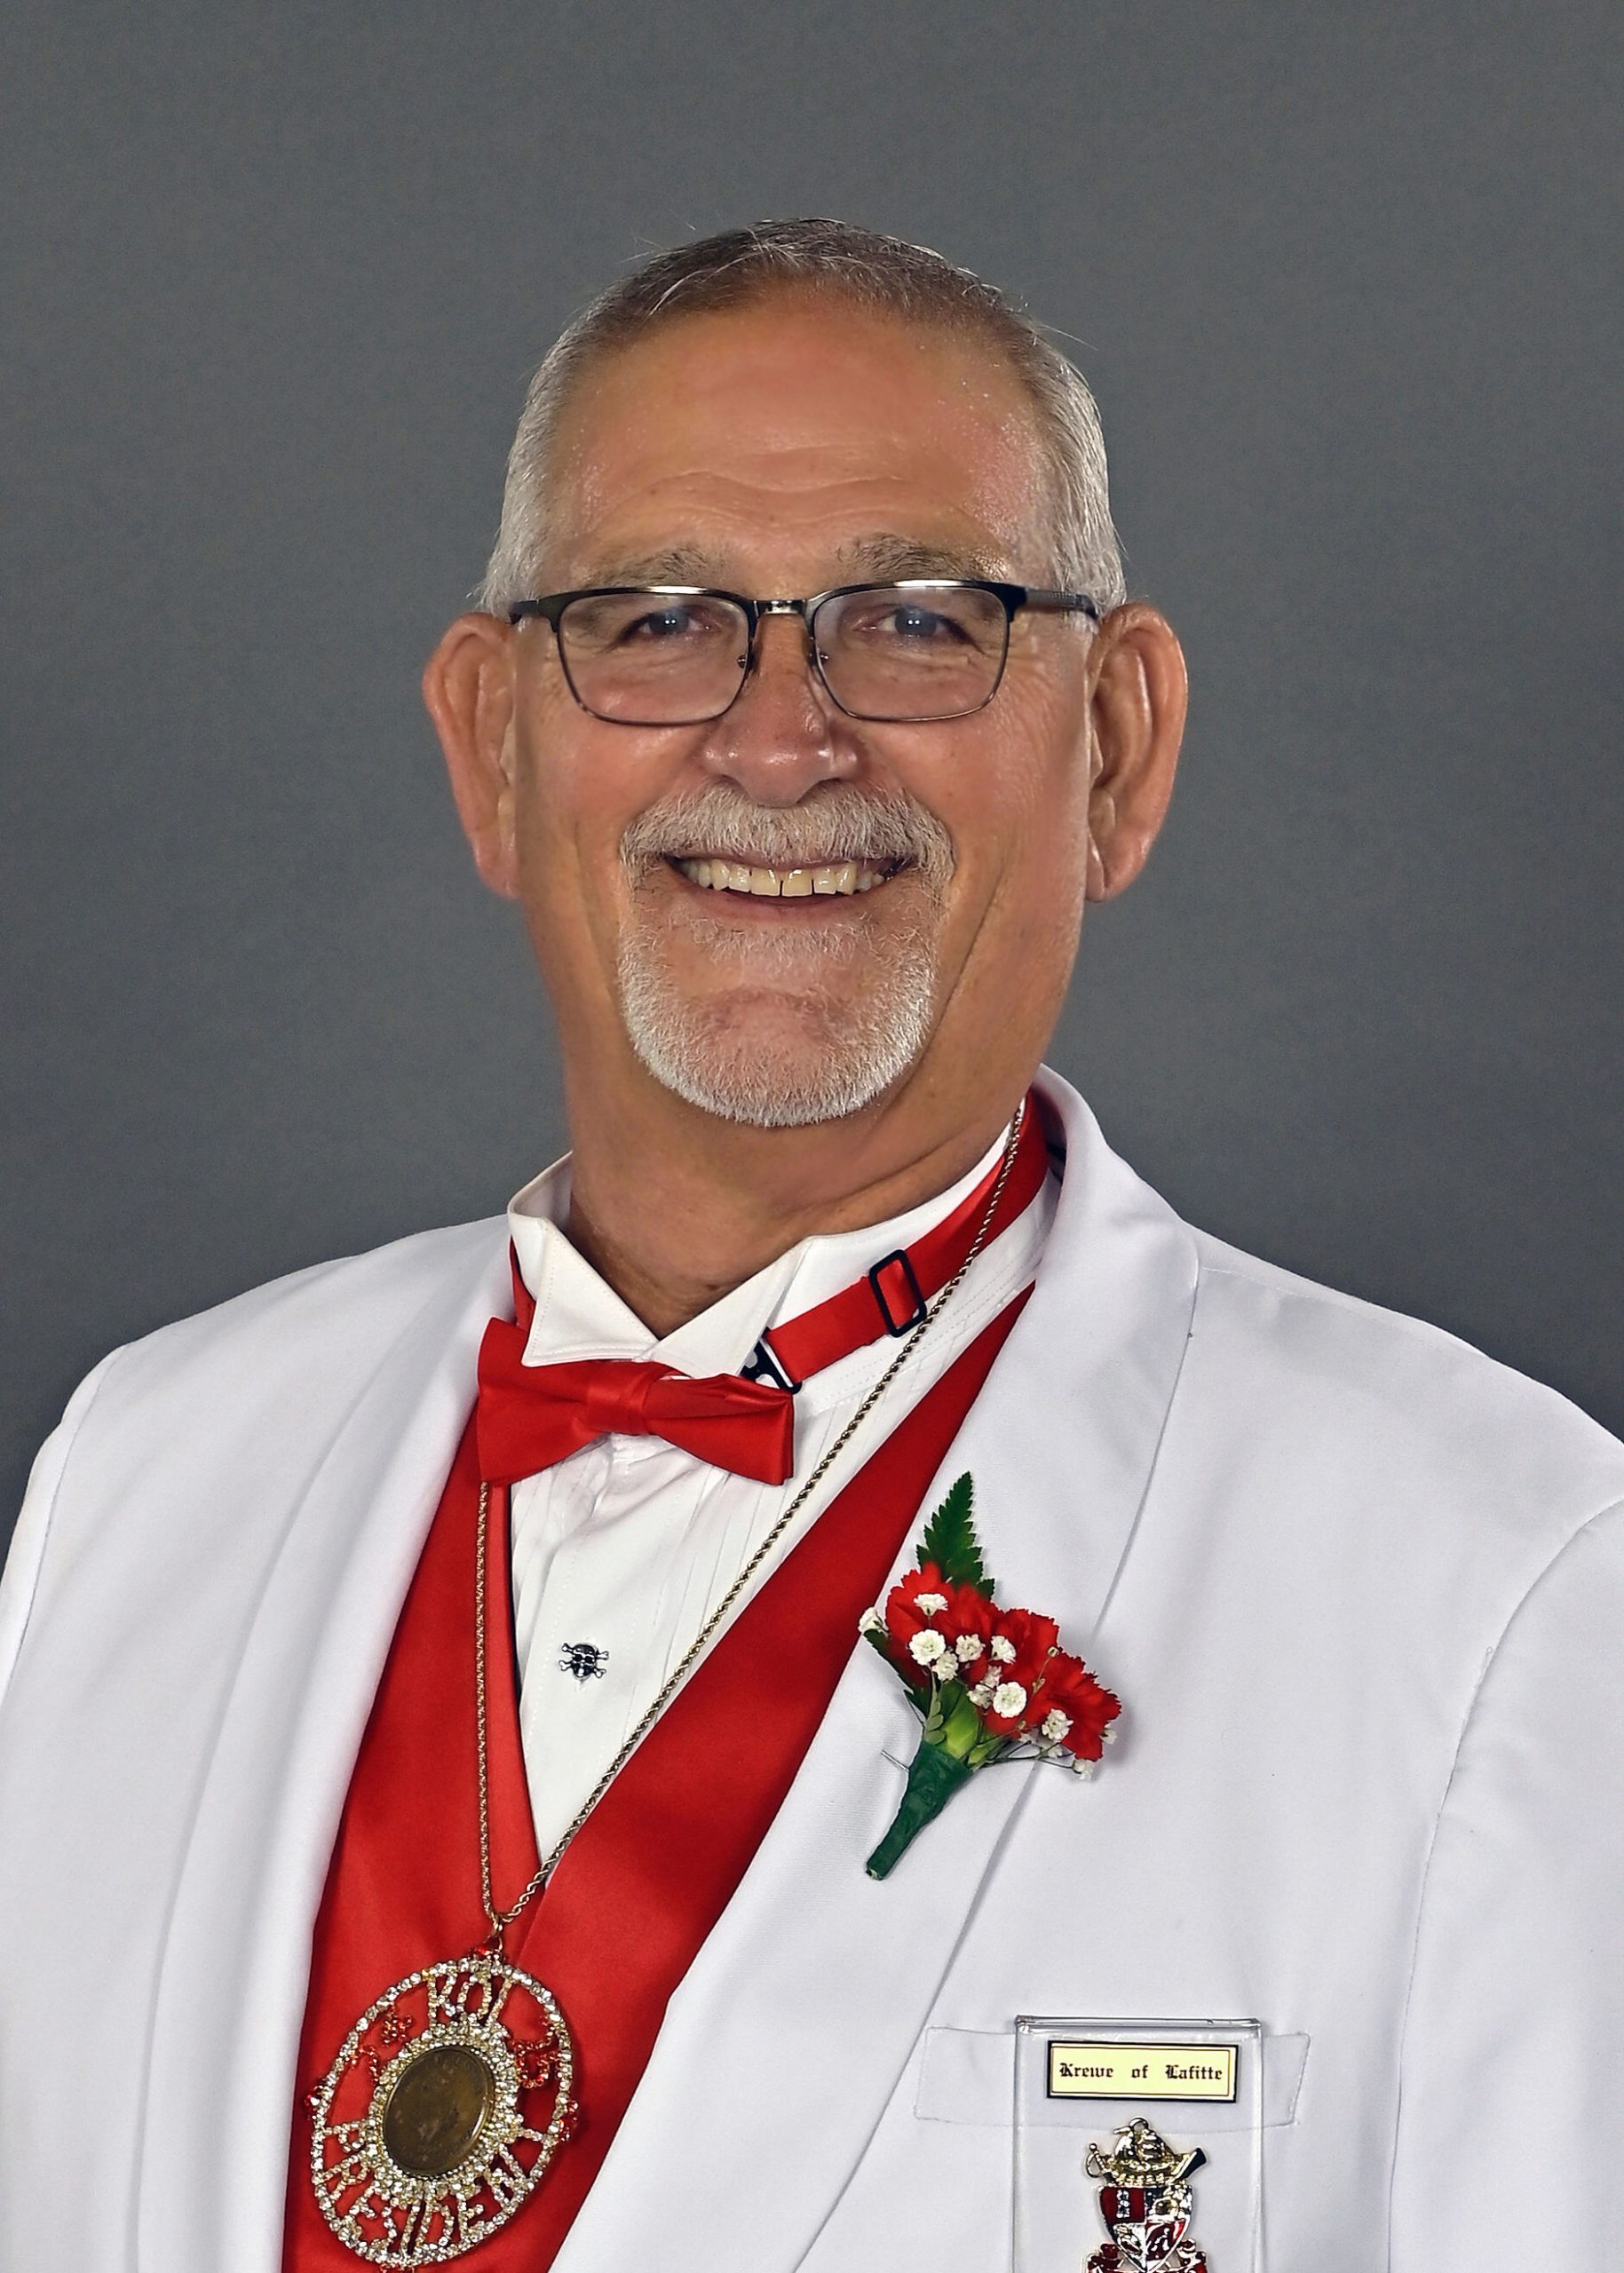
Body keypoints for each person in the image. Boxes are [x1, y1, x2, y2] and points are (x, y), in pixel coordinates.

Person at [1, 218, 1620, 2273]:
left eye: (920, 621)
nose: (778, 743)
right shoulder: (140, 1473)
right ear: (491, 745)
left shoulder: (1509, 1582)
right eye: (657, 620)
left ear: (1116, 746)